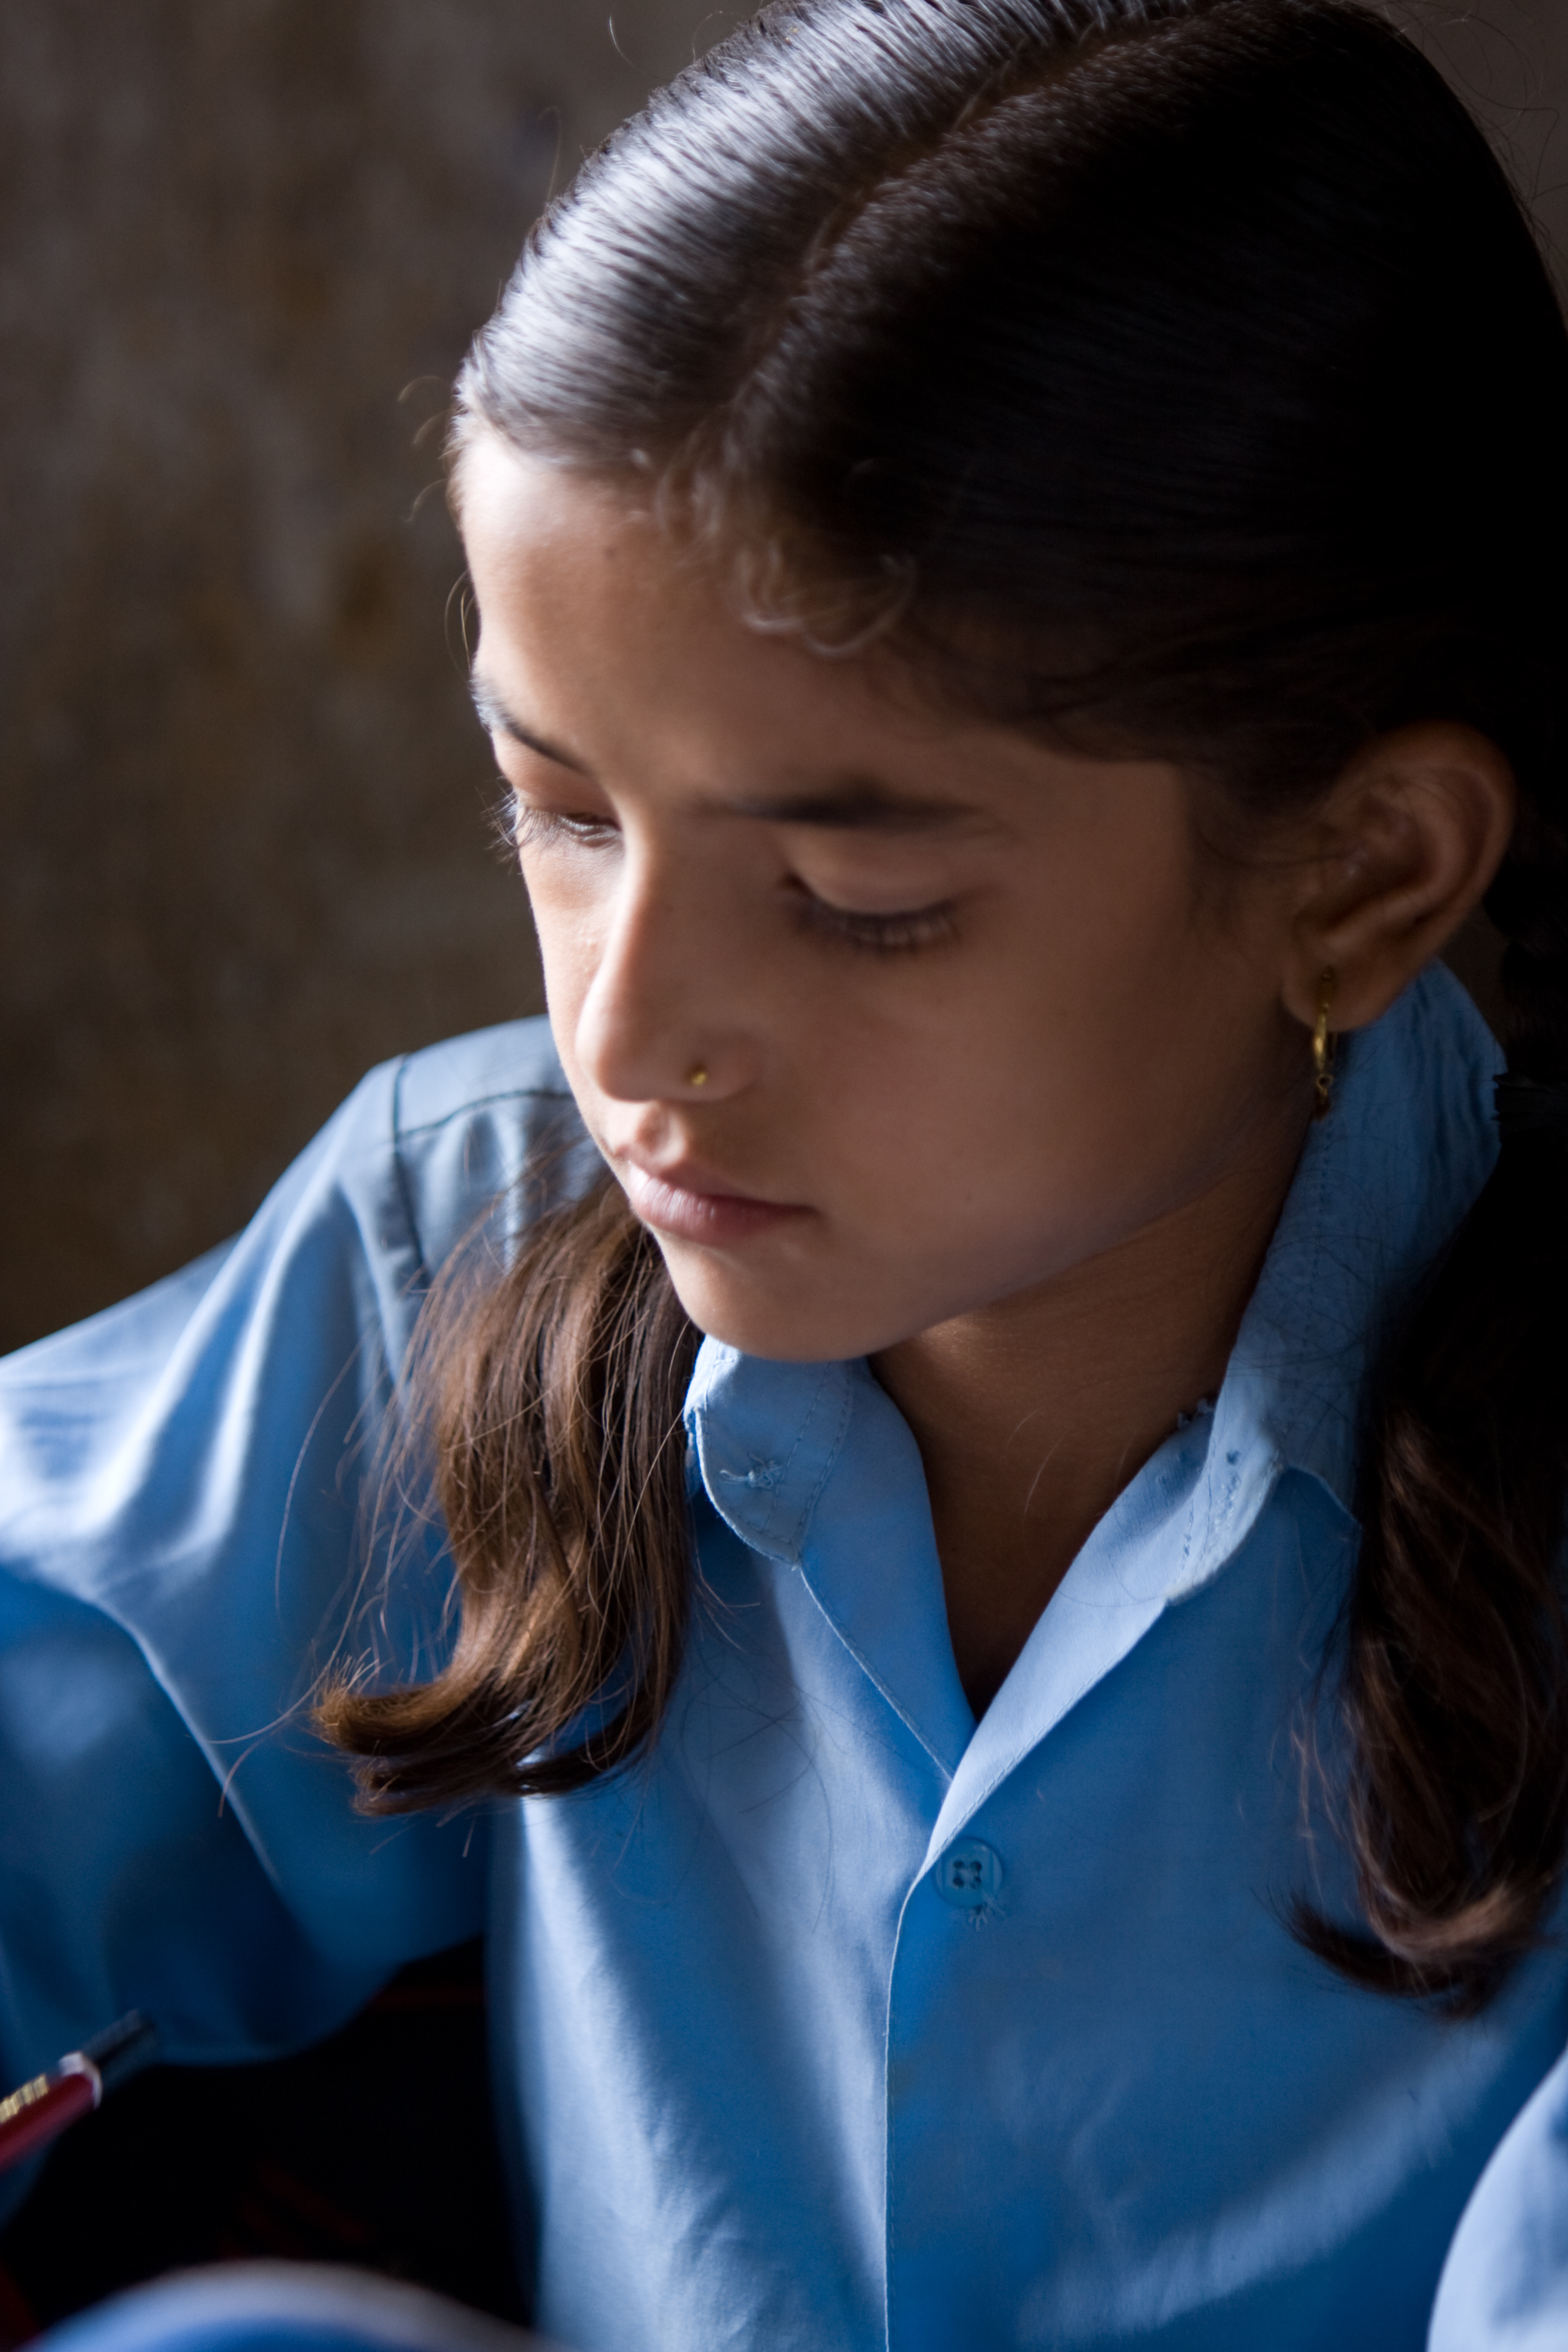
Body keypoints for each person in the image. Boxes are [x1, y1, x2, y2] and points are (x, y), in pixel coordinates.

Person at [5, 0, 1568, 2343]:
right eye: (557, 811)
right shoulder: (474, 1232)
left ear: (1361, 873)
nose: (623, 1043)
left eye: (857, 904)